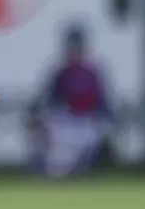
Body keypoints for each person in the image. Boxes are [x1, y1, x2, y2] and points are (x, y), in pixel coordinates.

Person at [31, 24, 111, 179]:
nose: (75, 51)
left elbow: (103, 104)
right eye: (72, 47)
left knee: (85, 157)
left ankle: (90, 170)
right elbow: (48, 102)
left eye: (77, 47)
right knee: (58, 168)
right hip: (64, 124)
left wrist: (106, 120)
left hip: (88, 123)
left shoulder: (91, 73)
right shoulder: (60, 72)